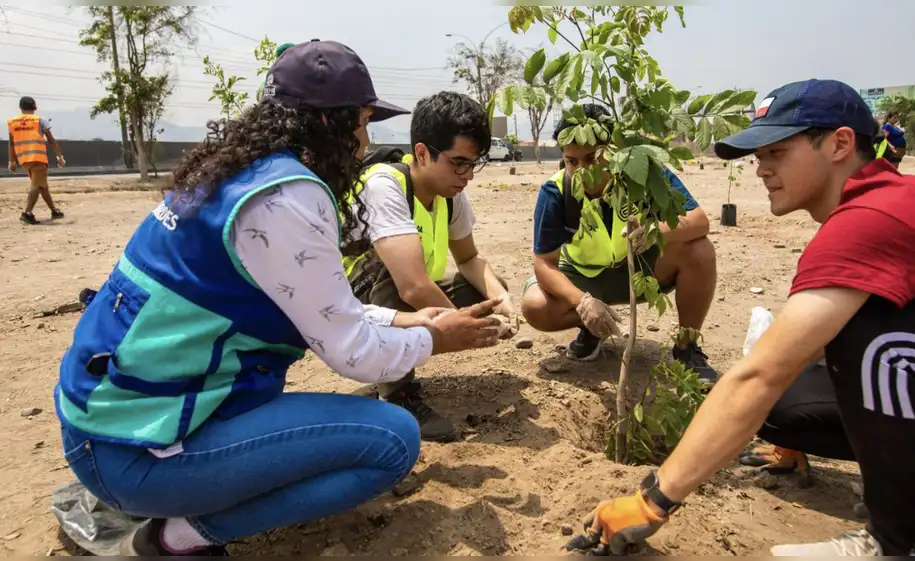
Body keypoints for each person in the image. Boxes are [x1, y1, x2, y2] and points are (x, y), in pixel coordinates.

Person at [55, 39, 504, 557]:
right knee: (393, 441)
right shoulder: (288, 197)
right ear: (330, 124)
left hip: (109, 423)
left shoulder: (237, 175)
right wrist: (436, 338)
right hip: (135, 450)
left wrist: (407, 323)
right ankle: (176, 538)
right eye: (361, 123)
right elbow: (350, 352)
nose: (365, 140)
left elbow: (325, 306)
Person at [568, 79, 915, 557]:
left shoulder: (874, 217)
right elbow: (805, 352)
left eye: (777, 152)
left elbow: (759, 376)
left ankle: (899, 543)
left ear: (839, 143)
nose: (760, 170)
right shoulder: (875, 204)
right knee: (787, 408)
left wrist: (652, 500)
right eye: (759, 156)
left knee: (876, 343)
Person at [345, 91, 516, 443]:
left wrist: (500, 300)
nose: (467, 175)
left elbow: (469, 259)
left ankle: (398, 368)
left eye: (473, 163)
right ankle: (396, 393)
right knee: (396, 279)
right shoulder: (385, 187)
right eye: (458, 162)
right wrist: (466, 326)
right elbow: (412, 287)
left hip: (402, 300)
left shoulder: (450, 194)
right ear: (422, 153)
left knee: (482, 288)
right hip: (351, 309)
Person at [521, 103, 720, 385]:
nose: (581, 170)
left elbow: (699, 221)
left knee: (700, 251)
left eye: (591, 158)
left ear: (613, 150)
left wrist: (655, 232)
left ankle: (687, 348)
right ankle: (591, 327)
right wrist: (583, 302)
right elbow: (544, 263)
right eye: (571, 161)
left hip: (641, 270)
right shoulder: (556, 192)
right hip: (587, 279)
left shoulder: (643, 172)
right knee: (535, 306)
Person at [7, 96, 66, 224]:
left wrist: (11, 161)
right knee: (37, 185)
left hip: (24, 159)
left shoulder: (12, 122)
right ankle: (27, 213)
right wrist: (59, 157)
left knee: (42, 185)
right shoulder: (40, 120)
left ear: (21, 108)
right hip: (38, 158)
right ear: (35, 107)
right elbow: (51, 140)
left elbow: (11, 143)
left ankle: (54, 211)